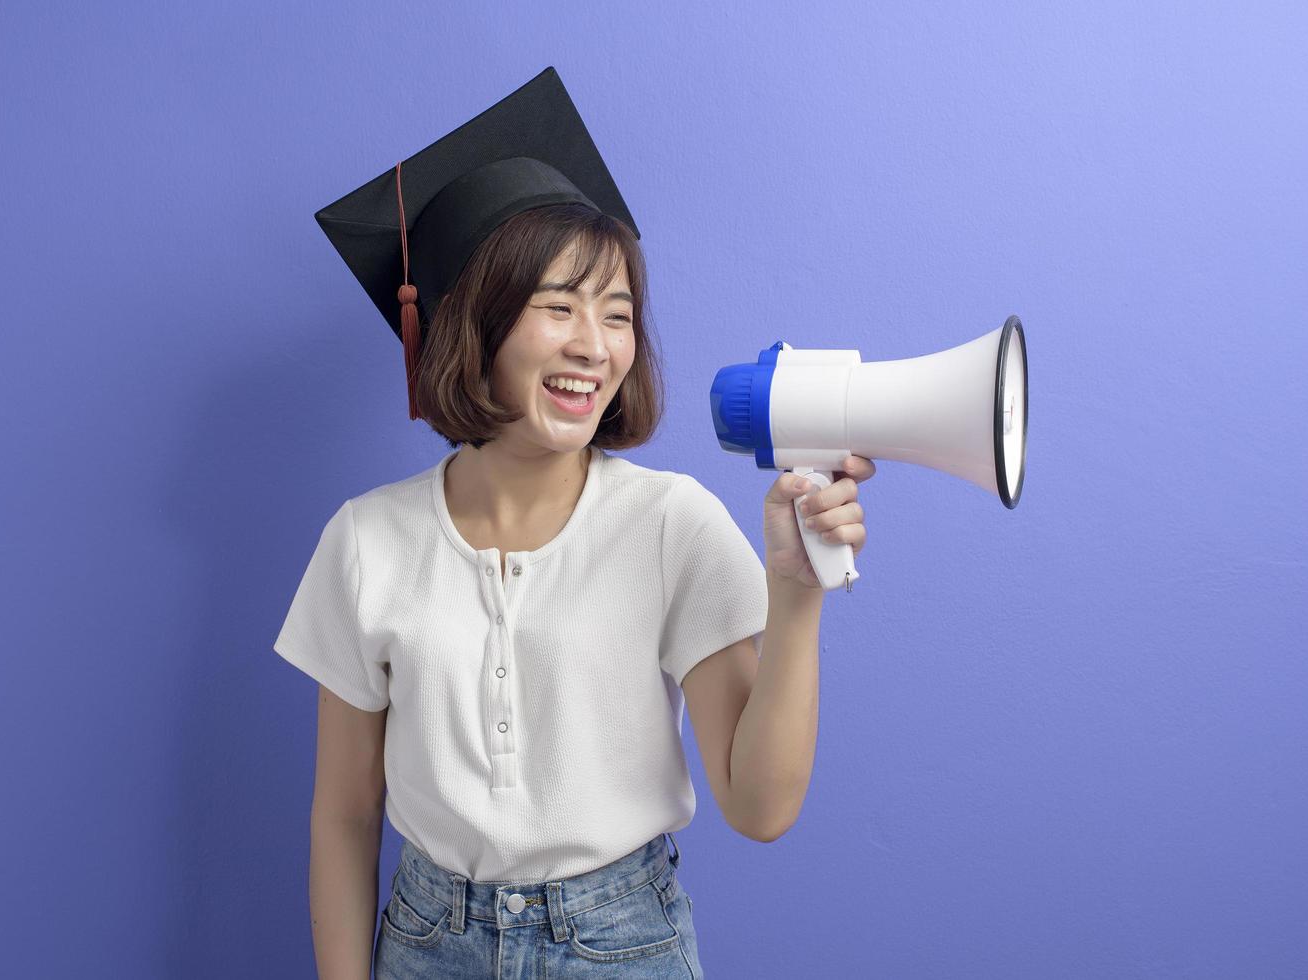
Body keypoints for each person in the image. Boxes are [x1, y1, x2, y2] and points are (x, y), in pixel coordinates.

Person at [274, 68, 871, 980]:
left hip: (621, 942)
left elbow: (759, 808)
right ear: (469, 323)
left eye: (618, 313)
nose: (596, 345)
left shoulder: (673, 525)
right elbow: (345, 815)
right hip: (425, 944)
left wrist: (795, 591)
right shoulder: (366, 544)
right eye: (558, 306)